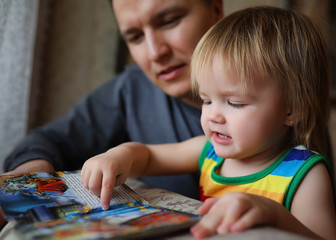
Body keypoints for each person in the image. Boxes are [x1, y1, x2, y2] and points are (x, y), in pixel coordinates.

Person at [81, 6, 336, 239]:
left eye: (235, 103)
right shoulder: (209, 152)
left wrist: (275, 216)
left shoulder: (304, 174)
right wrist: (119, 156)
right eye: (206, 100)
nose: (212, 116)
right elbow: (148, 157)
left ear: (292, 109)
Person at [3, 0, 224, 199]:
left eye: (169, 21)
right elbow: (47, 141)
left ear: (216, 9)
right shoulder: (131, 91)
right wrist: (23, 182)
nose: (155, 52)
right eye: (136, 36)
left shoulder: (260, 87)